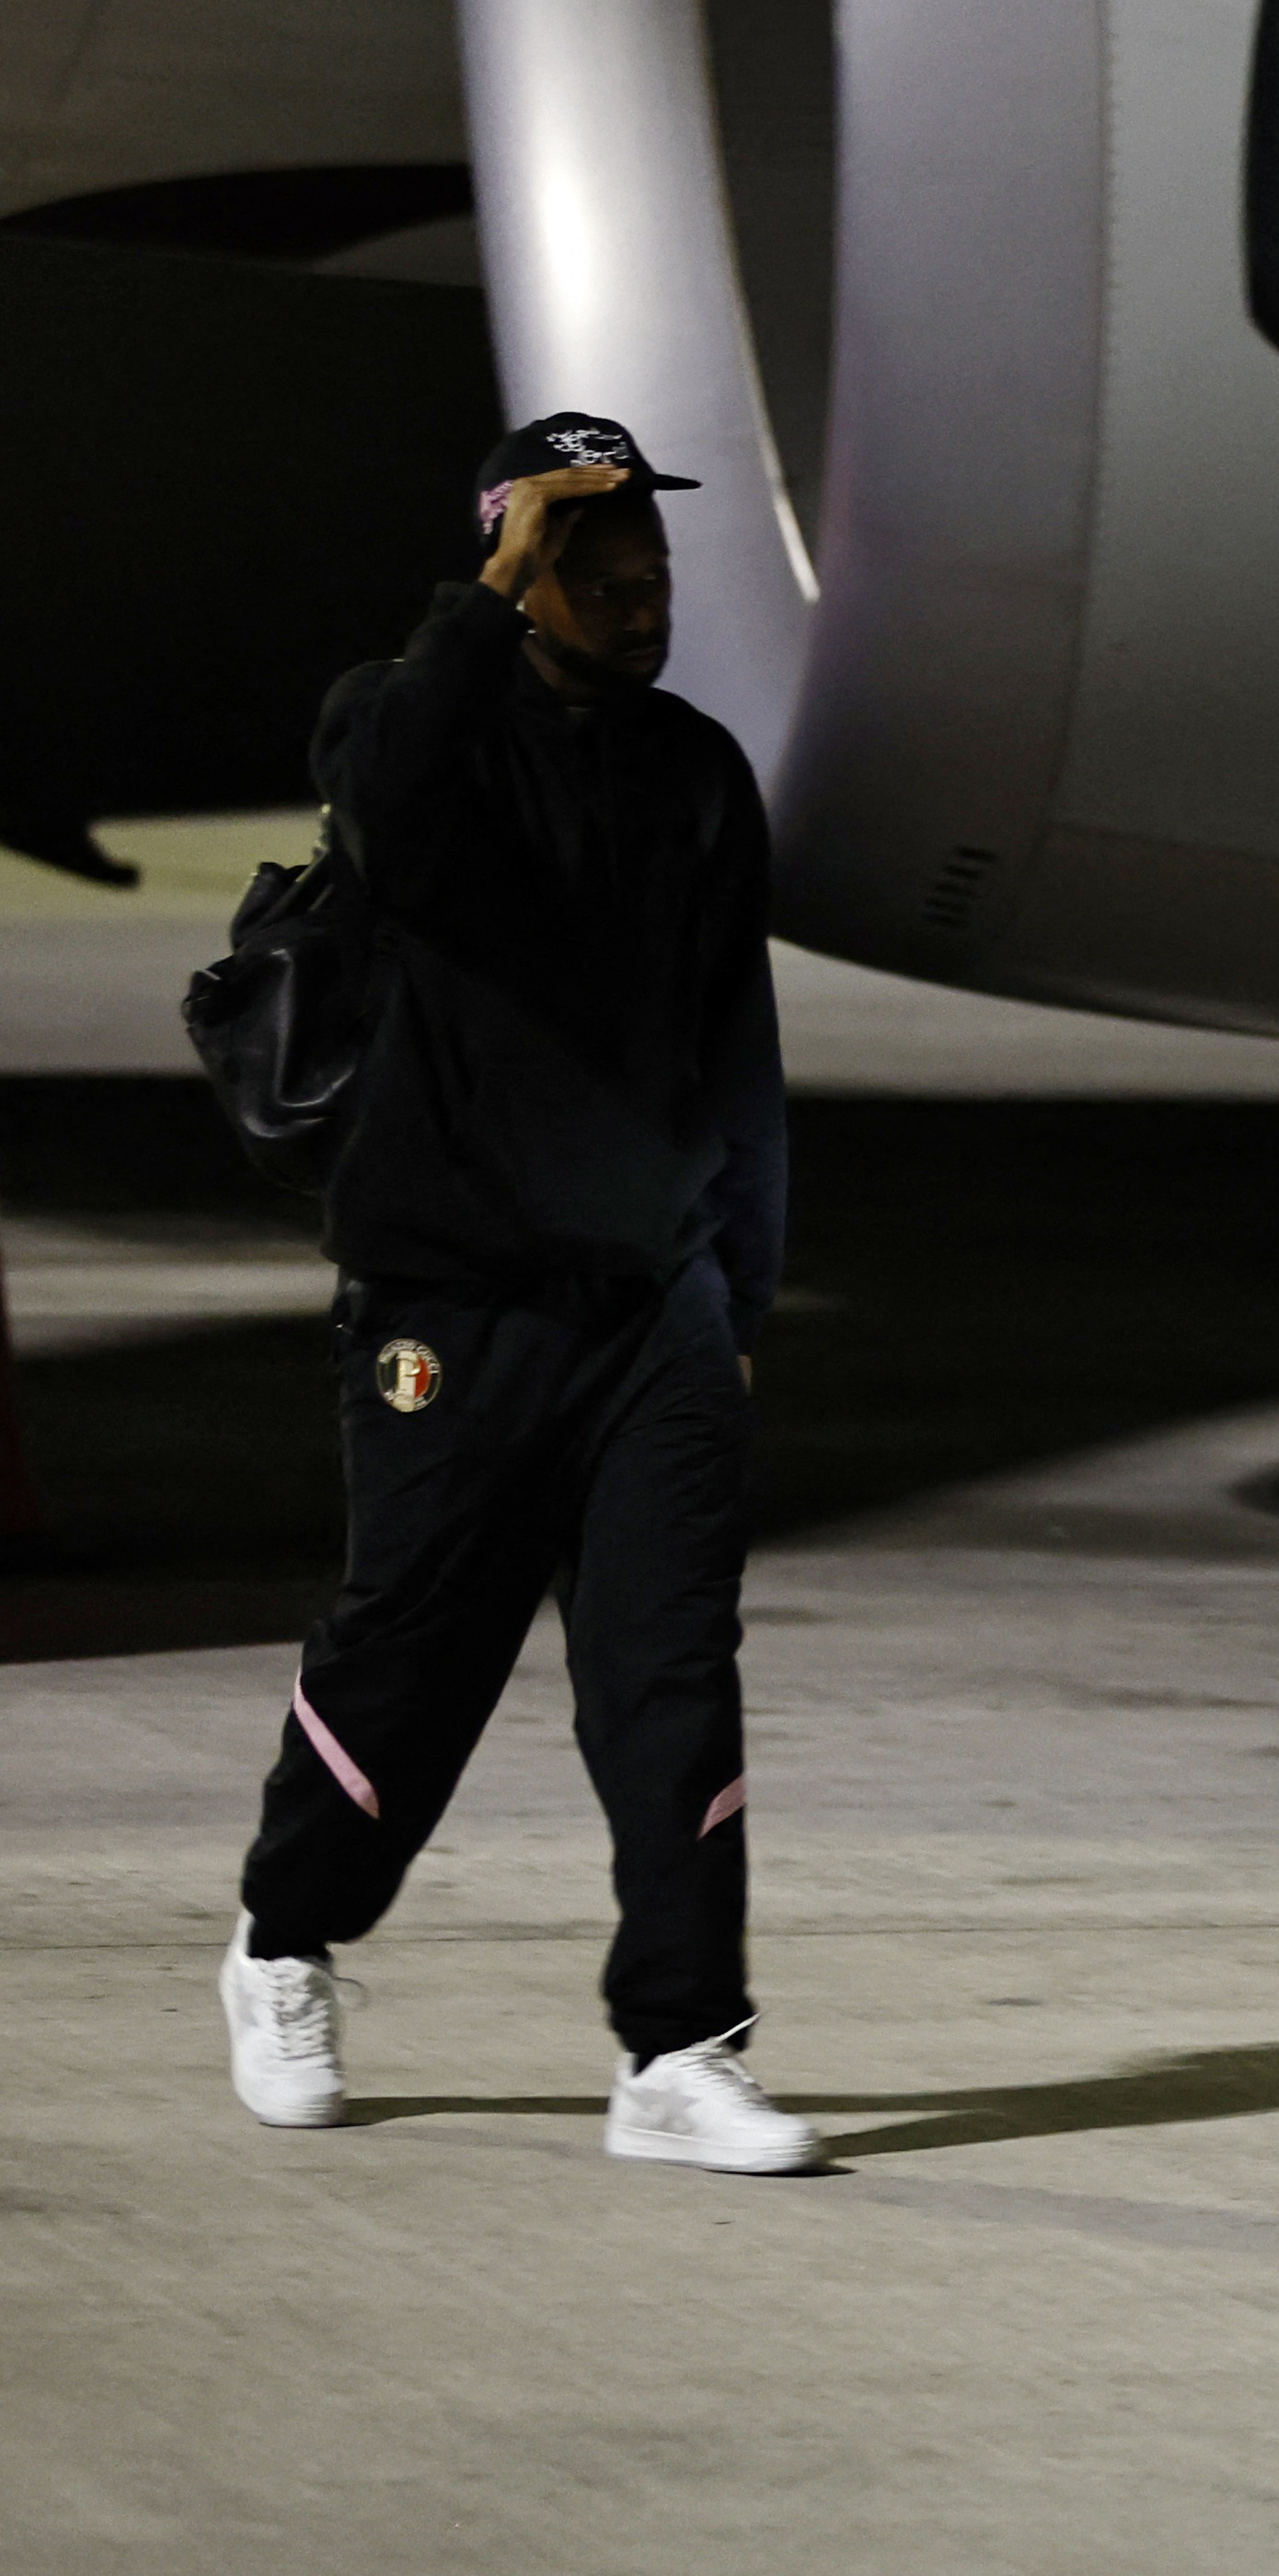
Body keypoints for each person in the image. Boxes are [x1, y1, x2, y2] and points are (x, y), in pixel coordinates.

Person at [213, 413, 816, 2176]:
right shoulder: (410, 727)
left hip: (657, 1311)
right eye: (598, 565)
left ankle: (680, 2049)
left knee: (670, 1678)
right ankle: (280, 1942)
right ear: (518, 572)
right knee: (414, 1656)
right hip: (447, 1303)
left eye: (656, 567)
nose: (644, 596)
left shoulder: (697, 772)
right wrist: (476, 594)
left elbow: (736, 1052)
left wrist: (743, 1297)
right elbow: (389, 809)